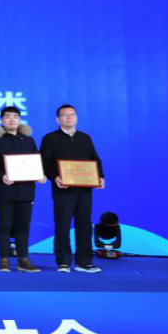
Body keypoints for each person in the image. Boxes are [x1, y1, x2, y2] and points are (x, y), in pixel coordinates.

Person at [40, 104, 105, 273]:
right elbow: (44, 163)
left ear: (76, 117)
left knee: (84, 225)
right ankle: (63, 261)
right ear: (58, 119)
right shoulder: (50, 139)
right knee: (62, 225)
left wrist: (100, 176)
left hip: (84, 189)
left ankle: (84, 262)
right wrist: (55, 177)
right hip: (63, 190)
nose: (69, 117)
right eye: (64, 115)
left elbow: (95, 159)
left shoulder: (85, 138)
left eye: (72, 114)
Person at [0, 105, 44, 273]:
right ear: (1, 120)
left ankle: (23, 259)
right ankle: (3, 259)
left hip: (26, 191)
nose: (12, 120)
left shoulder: (28, 140)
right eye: (8, 116)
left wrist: (40, 174)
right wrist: (1, 175)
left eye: (15, 117)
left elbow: (36, 161)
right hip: (4, 189)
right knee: (4, 225)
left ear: (19, 120)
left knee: (23, 226)